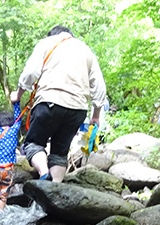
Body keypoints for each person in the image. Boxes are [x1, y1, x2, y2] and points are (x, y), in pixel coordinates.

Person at [11, 25, 107, 182]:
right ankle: (54, 190)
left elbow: (30, 72)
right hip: (77, 109)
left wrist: (18, 94)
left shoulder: (47, 43)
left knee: (33, 144)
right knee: (60, 152)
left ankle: (43, 173)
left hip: (49, 102)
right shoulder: (86, 50)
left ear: (52, 35)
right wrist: (95, 115)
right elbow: (99, 85)